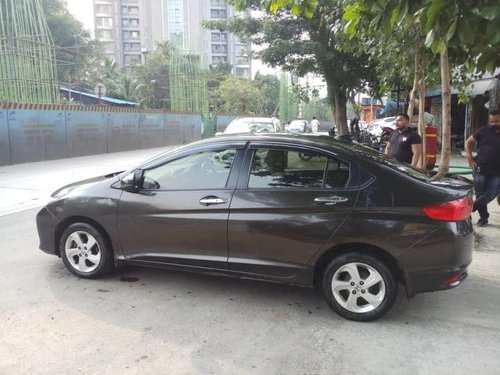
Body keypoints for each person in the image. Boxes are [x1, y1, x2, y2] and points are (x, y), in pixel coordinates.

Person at [465, 109, 500, 227]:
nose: (494, 124)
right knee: (480, 195)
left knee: (490, 194)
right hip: (480, 168)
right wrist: (469, 157)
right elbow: (469, 142)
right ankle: (483, 218)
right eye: (492, 121)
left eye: (497, 121)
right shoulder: (483, 131)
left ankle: (467, 211)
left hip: (497, 172)